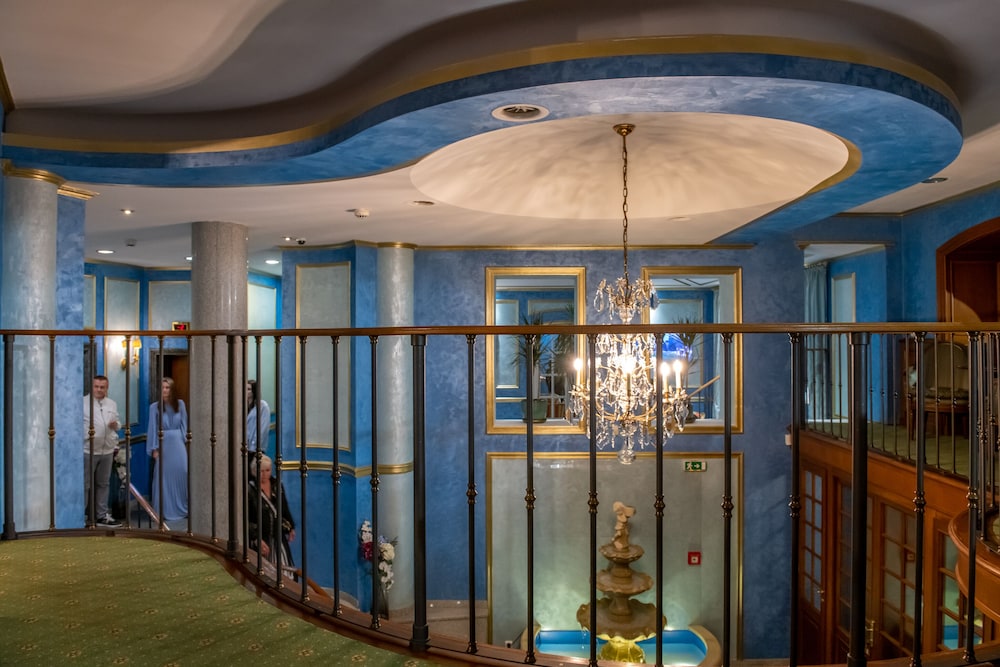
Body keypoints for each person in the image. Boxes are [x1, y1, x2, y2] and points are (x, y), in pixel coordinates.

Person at [146, 377, 188, 522]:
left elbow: (184, 425)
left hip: (178, 443)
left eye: (167, 387)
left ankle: (182, 507)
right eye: (162, 387)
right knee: (163, 476)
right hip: (163, 443)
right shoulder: (154, 407)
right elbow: (152, 428)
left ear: (172, 389)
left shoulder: (180, 404)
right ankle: (163, 510)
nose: (164, 390)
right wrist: (154, 448)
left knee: (183, 472)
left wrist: (184, 442)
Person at [83, 375, 122, 527]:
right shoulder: (83, 403)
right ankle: (81, 516)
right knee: (85, 485)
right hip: (88, 450)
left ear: (107, 388)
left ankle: (101, 516)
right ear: (92, 387)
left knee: (103, 484)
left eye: (102, 387)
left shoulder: (111, 404)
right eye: (96, 386)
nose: (99, 389)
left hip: (107, 450)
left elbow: (117, 422)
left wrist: (116, 425)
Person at [248, 454, 296, 568]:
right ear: (254, 471)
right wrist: (256, 538)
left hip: (278, 537)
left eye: (267, 470)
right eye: (261, 471)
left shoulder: (277, 486)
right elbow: (247, 518)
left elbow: (284, 507)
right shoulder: (249, 490)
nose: (265, 474)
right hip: (261, 538)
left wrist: (291, 527)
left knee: (284, 570)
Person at [246, 379, 271, 454]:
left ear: (254, 391)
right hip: (244, 447)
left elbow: (262, 429)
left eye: (249, 389)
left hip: (256, 448)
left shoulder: (263, 406)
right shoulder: (243, 405)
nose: (246, 391)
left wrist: (254, 447)